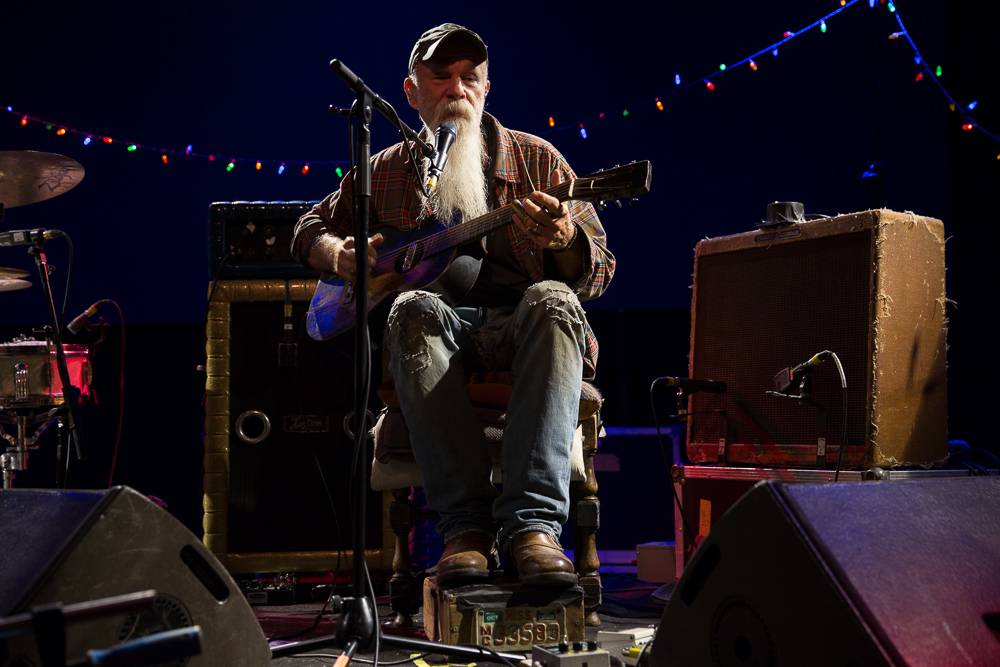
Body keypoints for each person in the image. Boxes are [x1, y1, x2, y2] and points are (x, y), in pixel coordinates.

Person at [292, 23, 614, 587]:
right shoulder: (385, 171)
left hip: (523, 328)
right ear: (412, 92)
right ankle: (465, 529)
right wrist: (336, 252)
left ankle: (533, 529)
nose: (457, 89)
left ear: (487, 89)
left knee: (556, 298)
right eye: (441, 78)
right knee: (410, 306)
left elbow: (601, 271)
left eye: (470, 78)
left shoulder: (538, 160)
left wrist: (563, 239)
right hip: (441, 334)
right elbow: (308, 226)